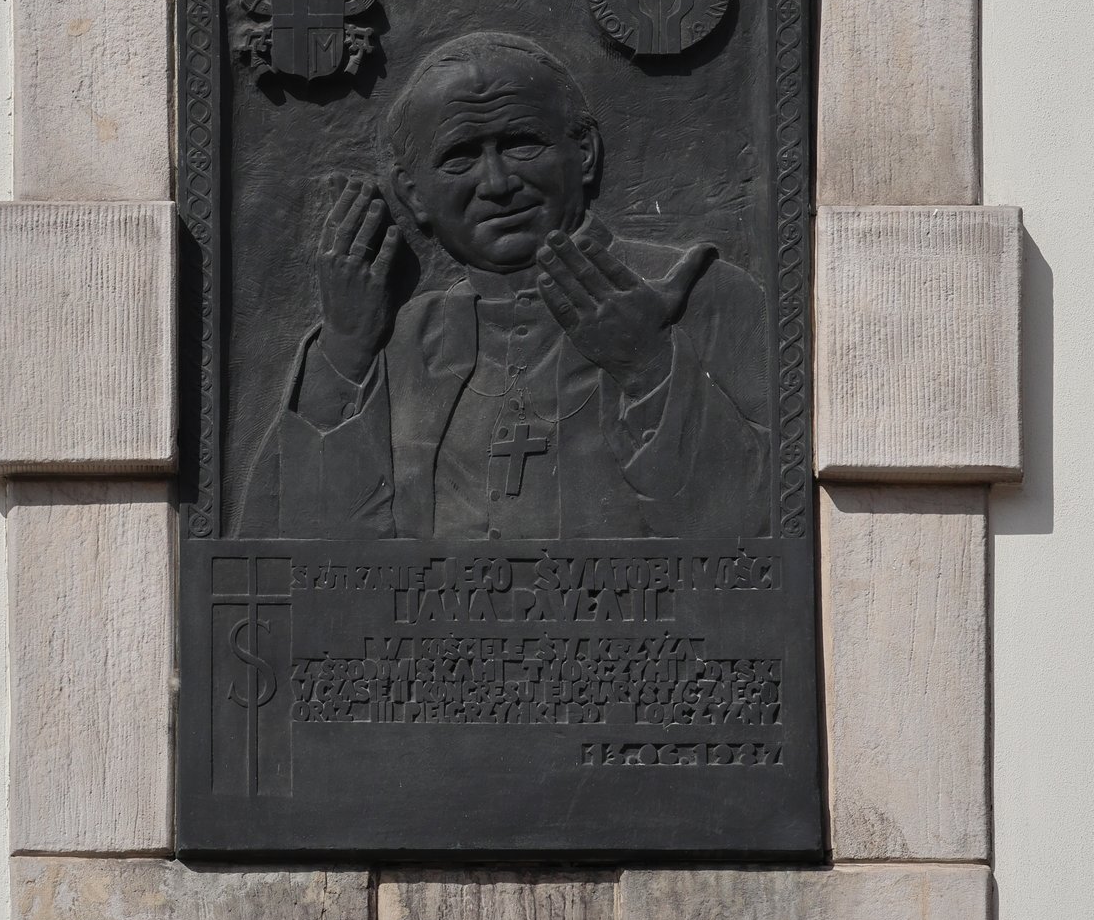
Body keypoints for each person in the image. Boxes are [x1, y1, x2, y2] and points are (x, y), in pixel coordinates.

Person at [237, 32, 769, 539]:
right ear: (413, 194)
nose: (496, 184)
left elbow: (758, 536)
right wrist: (343, 353)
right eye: (460, 157)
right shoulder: (400, 341)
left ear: (583, 152)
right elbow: (293, 568)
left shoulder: (699, 294)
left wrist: (649, 366)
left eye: (520, 144)